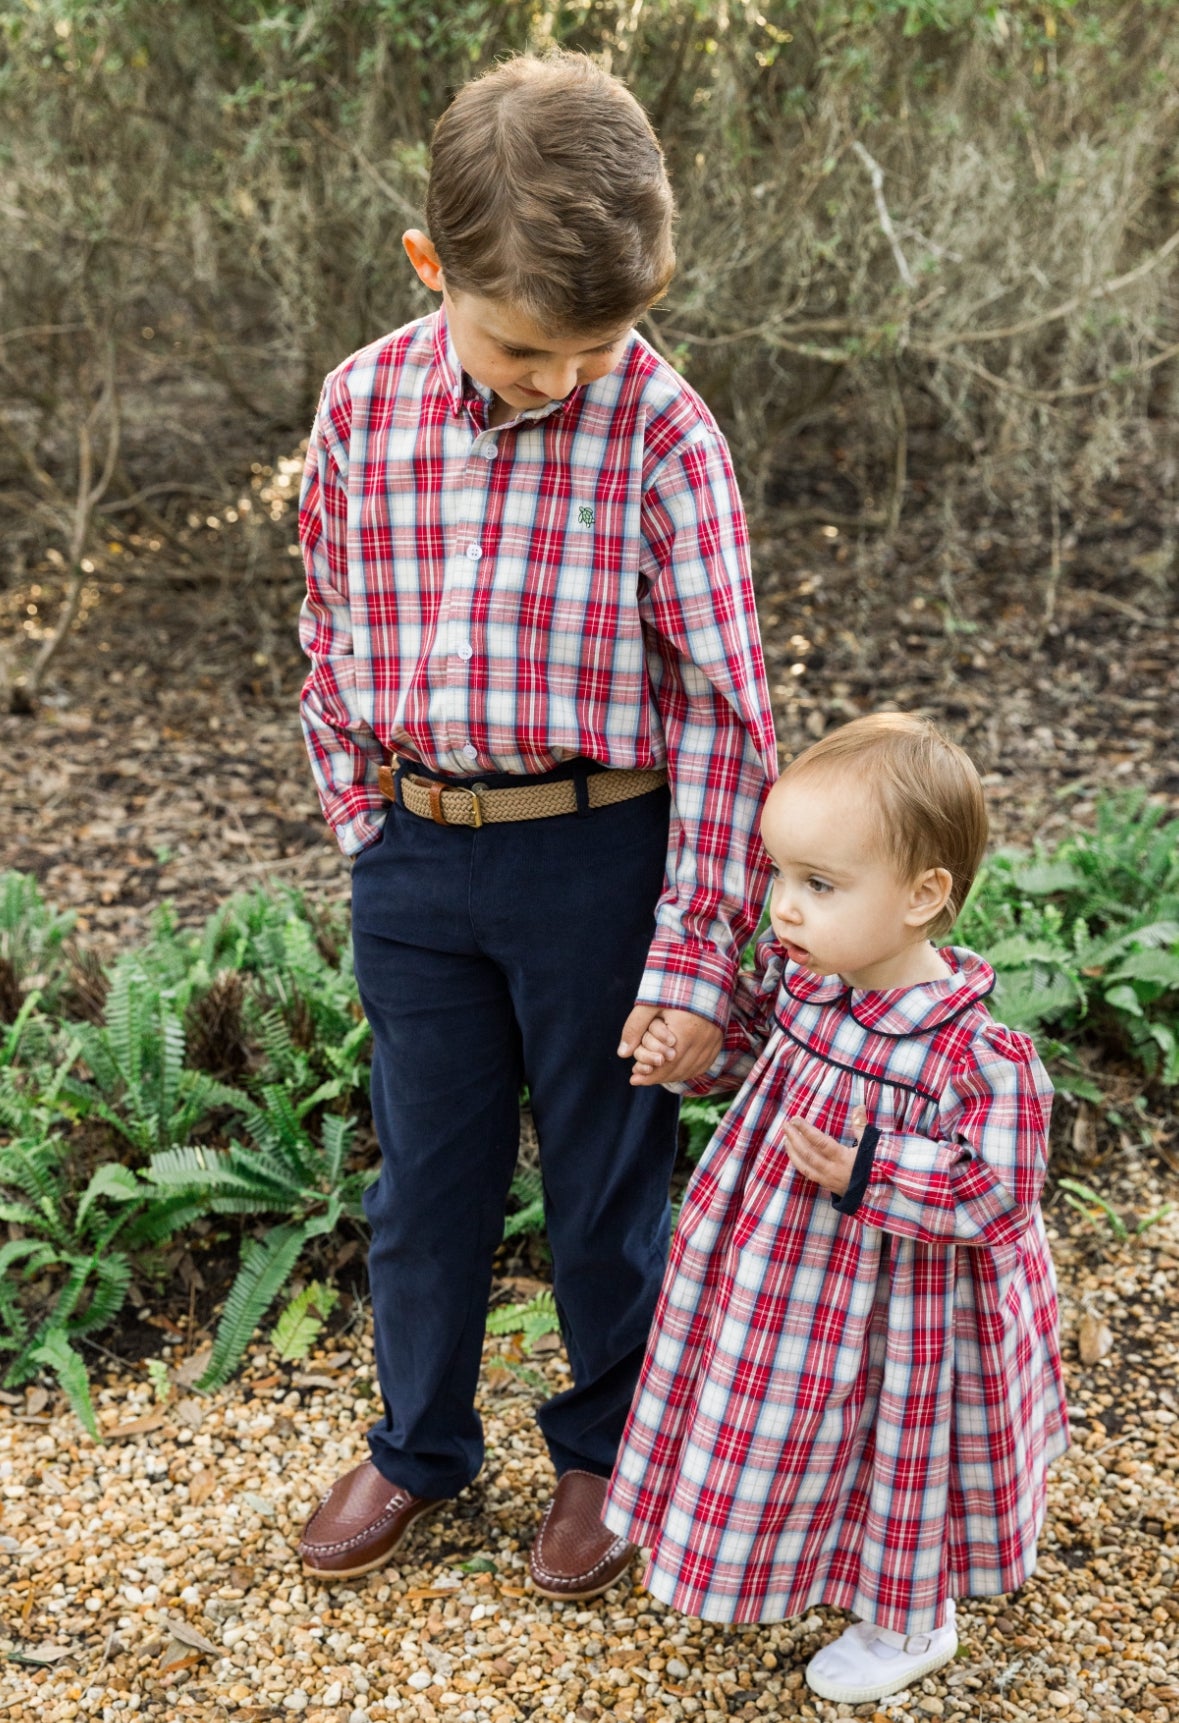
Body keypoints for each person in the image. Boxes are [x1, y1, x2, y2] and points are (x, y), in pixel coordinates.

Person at [294, 51, 777, 1600]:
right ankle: (417, 1440)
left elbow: (722, 709)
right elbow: (328, 629)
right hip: (421, 856)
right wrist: (364, 819)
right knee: (422, 1173)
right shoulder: (362, 403)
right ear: (432, 268)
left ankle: (605, 1451)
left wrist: (696, 952)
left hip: (601, 861)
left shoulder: (661, 432)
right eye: (519, 345)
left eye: (593, 345)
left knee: (604, 1178)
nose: (553, 378)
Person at [604, 713, 1069, 1702]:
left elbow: (999, 1188)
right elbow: (761, 1067)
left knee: (901, 1435)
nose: (782, 908)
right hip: (789, 1279)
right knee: (802, 1425)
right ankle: (815, 1558)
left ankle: (911, 1616)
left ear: (923, 896)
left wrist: (875, 1166)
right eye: (779, 876)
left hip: (910, 1302)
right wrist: (698, 1052)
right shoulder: (810, 990)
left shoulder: (973, 1053)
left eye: (818, 885)